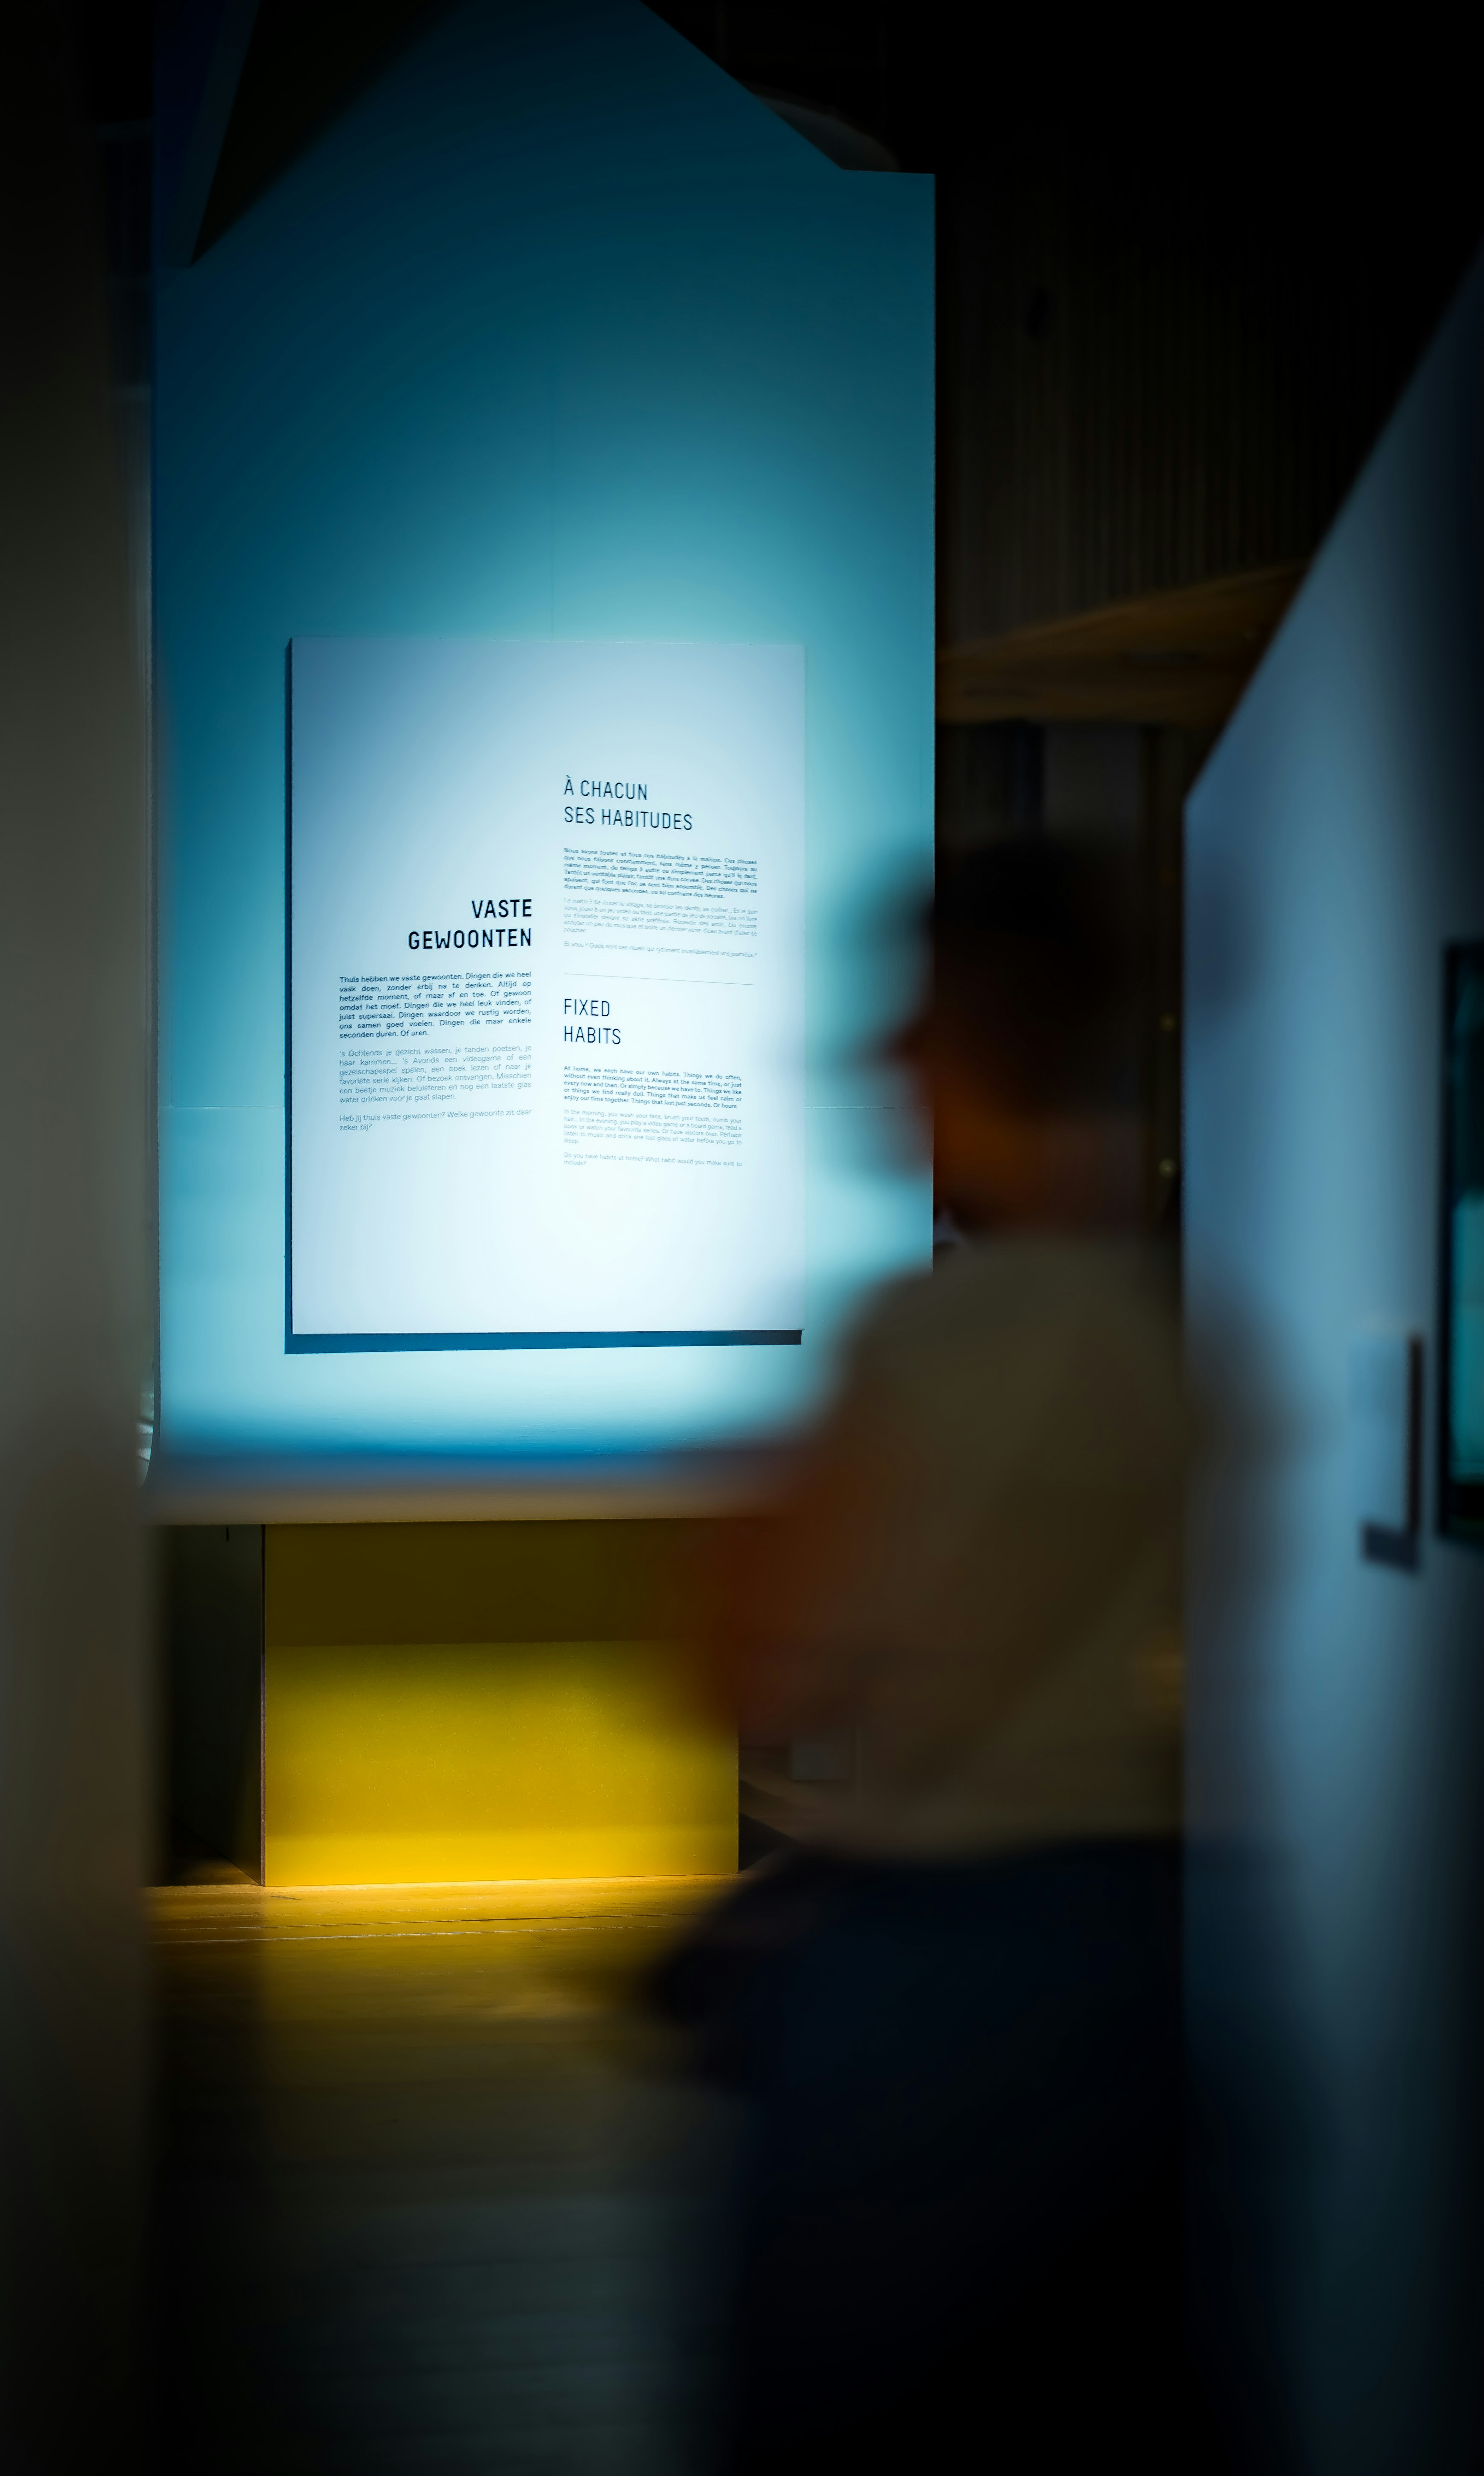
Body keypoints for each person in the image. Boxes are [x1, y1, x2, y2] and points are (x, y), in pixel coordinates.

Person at [659, 839, 1189, 2472]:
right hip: (1130, 1959)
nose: (867, 1058)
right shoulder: (1180, 1338)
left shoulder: (921, 1341)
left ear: (959, 1033)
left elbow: (740, 1669)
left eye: (900, 1015)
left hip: (927, 1981)